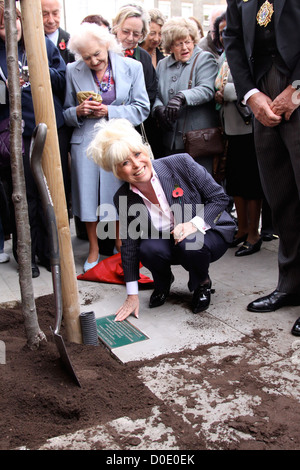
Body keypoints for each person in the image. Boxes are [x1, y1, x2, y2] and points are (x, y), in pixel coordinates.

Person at [88, 118, 236, 321]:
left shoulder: (181, 163)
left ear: (145, 151)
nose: (137, 165)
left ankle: (202, 283)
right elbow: (129, 245)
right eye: (125, 162)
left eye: (138, 154)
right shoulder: (123, 198)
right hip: (168, 239)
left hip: (208, 232)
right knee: (147, 248)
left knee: (191, 243)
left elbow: (219, 198)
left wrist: (194, 224)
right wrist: (132, 294)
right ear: (116, 171)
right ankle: (163, 282)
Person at [224, 0, 300, 336]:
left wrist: (296, 88)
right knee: (280, 197)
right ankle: (290, 285)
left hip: (295, 83)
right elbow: (234, 41)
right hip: (262, 96)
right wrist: (251, 95)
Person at [63, 23, 150, 273]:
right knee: (88, 196)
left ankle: (120, 243)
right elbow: (66, 111)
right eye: (86, 56)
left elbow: (142, 108)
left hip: (119, 139)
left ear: (107, 45)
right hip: (85, 141)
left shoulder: (132, 67)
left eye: (97, 54)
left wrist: (109, 110)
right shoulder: (72, 70)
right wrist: (78, 111)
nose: (93, 60)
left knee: (119, 194)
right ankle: (93, 247)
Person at [0, 1, 67, 278]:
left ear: (21, 21)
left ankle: (49, 252)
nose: (8, 29)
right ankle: (25, 253)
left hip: (48, 128)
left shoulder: (41, 45)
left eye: (11, 22)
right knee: (24, 195)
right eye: (0, 25)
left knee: (49, 192)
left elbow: (63, 78)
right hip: (17, 133)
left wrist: (37, 73)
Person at [214, 15, 263, 256]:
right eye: (221, 31)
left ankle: (254, 234)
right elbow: (218, 86)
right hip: (232, 130)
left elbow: (254, 86)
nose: (225, 35)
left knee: (252, 184)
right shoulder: (225, 56)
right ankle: (242, 229)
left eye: (229, 30)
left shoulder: (253, 52)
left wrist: (226, 92)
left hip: (251, 128)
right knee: (235, 182)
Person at [152, 17, 219, 169]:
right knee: (175, 187)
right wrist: (158, 109)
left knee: (201, 185)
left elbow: (207, 89)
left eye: (188, 42)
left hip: (198, 141)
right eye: (178, 43)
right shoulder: (163, 65)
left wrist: (182, 96)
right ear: (170, 45)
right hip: (170, 141)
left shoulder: (204, 59)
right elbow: (154, 94)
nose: (184, 48)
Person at [41, 0, 75, 64]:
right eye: (45, 14)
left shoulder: (70, 41)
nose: (51, 20)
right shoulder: (30, 42)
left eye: (55, 14)